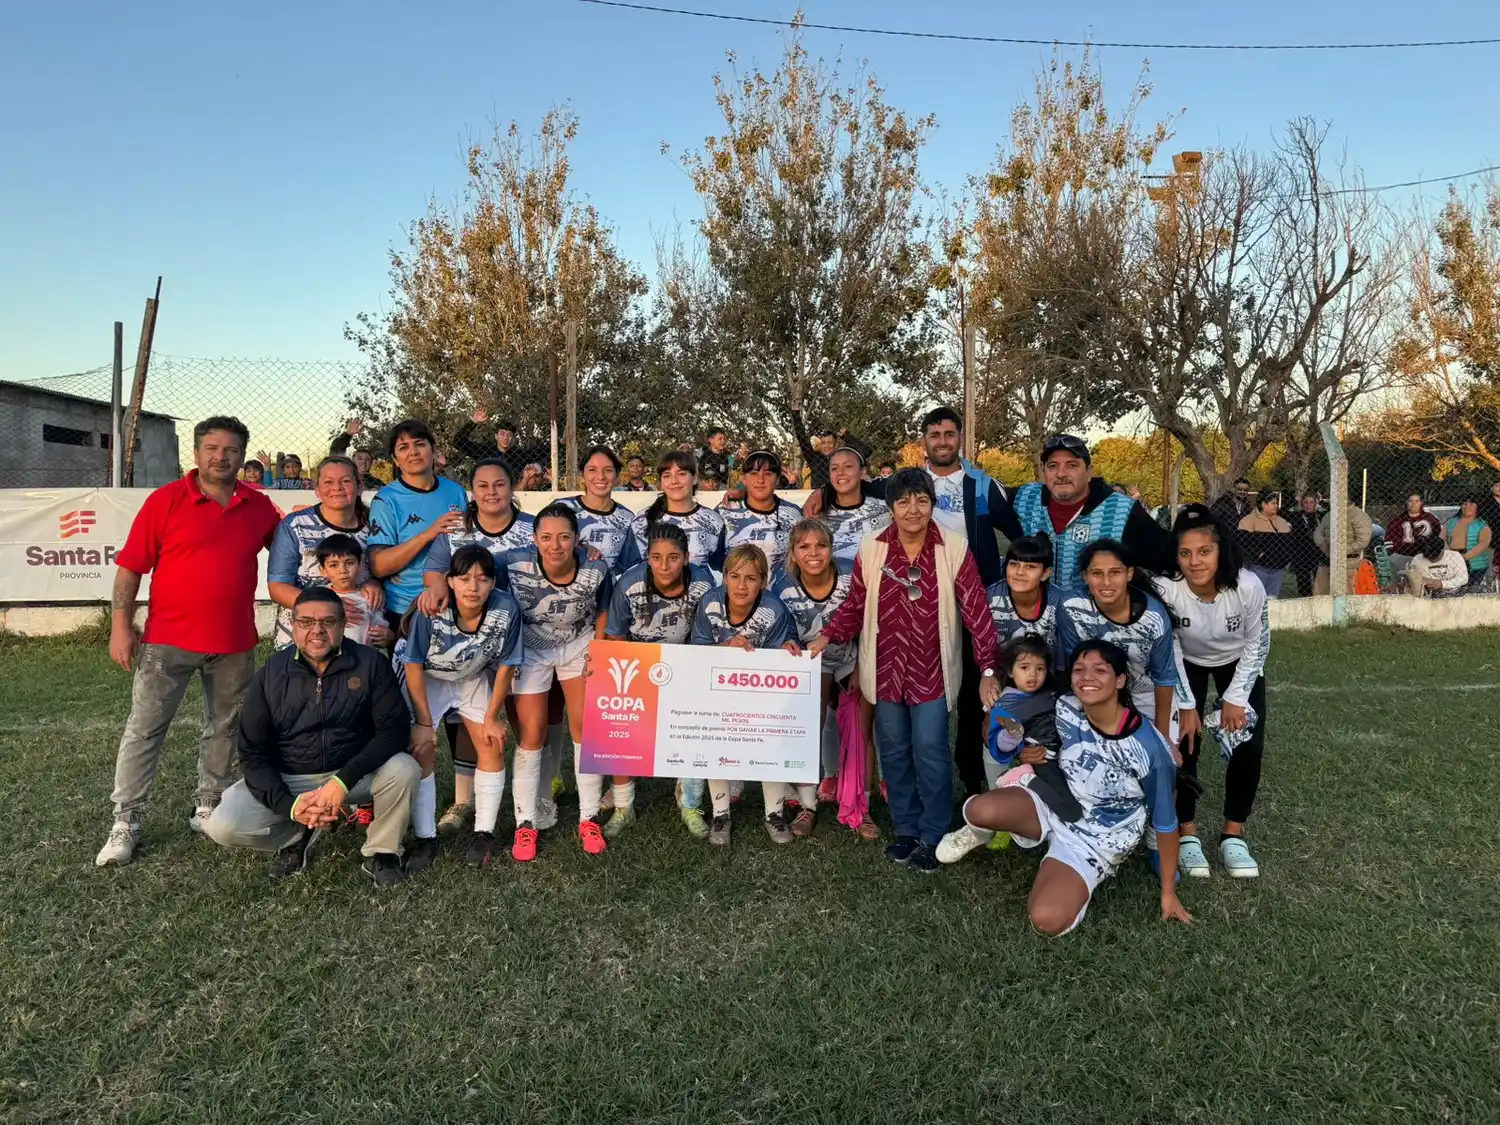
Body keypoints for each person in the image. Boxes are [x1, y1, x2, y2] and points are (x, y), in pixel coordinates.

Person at [96, 416, 281, 867]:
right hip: (167, 641)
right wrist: (121, 626)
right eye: (212, 448)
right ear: (196, 453)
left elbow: (290, 555)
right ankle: (126, 820)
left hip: (234, 642)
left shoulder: (258, 506)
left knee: (225, 727)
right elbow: (130, 569)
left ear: (242, 456)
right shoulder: (165, 501)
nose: (221, 457)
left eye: (231, 450)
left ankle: (209, 805)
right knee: (145, 728)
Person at [811, 469, 1001, 873]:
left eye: (921, 500)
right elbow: (856, 603)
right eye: (903, 502)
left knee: (931, 749)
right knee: (894, 751)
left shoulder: (953, 547)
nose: (913, 510)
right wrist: (827, 636)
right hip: (884, 669)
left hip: (932, 669)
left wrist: (988, 668)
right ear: (891, 508)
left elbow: (976, 609)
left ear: (932, 504)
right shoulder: (873, 547)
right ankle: (906, 829)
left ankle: (933, 832)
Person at [948, 640, 1191, 935]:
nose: (1087, 677)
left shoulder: (1148, 748)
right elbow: (1002, 720)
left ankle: (1067, 872)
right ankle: (1025, 840)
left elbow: (1166, 822)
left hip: (1096, 839)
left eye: (1099, 670)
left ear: (1120, 680)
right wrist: (1023, 749)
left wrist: (1168, 892)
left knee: (1046, 919)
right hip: (1053, 799)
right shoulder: (1064, 705)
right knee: (980, 809)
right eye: (1079, 669)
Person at [204, 588, 418, 887]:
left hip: (354, 774)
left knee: (404, 768)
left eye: (327, 622)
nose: (316, 630)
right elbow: (252, 752)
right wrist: (289, 806)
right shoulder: (271, 673)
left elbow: (393, 731)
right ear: (293, 625)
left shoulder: (370, 663)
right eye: (306, 622)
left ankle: (382, 852)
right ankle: (299, 831)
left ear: (343, 624)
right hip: (292, 777)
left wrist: (341, 782)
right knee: (222, 826)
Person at [365, 420, 469, 862]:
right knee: (412, 712)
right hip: (406, 616)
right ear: (394, 458)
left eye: (419, 444)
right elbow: (379, 564)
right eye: (403, 447)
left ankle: (462, 801)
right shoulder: (387, 500)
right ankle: (407, 801)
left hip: (456, 611)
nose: (413, 452)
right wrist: (429, 533)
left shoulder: (456, 492)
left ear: (433, 449)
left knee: (461, 708)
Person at [1153, 505, 1270, 879]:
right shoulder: (1165, 588)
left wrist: (1235, 699)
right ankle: (1187, 831)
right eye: (1185, 553)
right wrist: (1187, 704)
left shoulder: (1247, 586)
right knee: (1184, 741)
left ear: (1221, 551)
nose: (1194, 561)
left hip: (1237, 660)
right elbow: (1169, 647)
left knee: (1247, 741)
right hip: (1186, 660)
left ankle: (1233, 833)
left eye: (1204, 551)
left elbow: (1258, 641)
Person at [498, 503, 614, 860]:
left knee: (585, 727)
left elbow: (604, 607)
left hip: (577, 644)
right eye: (546, 537)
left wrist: (599, 647)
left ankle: (588, 816)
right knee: (531, 734)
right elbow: (479, 578)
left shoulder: (595, 567)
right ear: (534, 539)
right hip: (531, 647)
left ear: (577, 539)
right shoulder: (512, 563)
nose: (555, 545)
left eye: (564, 537)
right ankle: (526, 822)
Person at [403, 546, 526, 869]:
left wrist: (492, 716)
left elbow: (507, 665)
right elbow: (412, 664)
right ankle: (425, 836)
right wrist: (424, 723)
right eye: (465, 578)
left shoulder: (506, 608)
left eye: (482, 579)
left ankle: (484, 832)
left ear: (494, 583)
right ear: (450, 581)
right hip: (429, 678)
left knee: (491, 742)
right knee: (421, 748)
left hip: (471, 676)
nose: (473, 587)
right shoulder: (431, 608)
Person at [600, 523, 717, 838]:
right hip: (638, 661)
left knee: (694, 729)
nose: (664, 566)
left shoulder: (703, 583)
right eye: (656, 557)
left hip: (687, 660)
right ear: (647, 558)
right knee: (621, 728)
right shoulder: (630, 584)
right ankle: (623, 806)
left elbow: (708, 631)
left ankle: (691, 803)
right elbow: (616, 637)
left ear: (686, 558)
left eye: (673, 558)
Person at [772, 520, 878, 840]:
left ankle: (862, 805)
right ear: (793, 553)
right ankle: (808, 804)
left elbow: (869, 618)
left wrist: (861, 666)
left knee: (861, 725)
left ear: (832, 549)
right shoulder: (782, 586)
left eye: (821, 545)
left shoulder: (849, 574)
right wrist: (787, 643)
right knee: (807, 724)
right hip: (810, 660)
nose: (814, 553)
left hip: (852, 654)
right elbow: (780, 628)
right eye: (804, 546)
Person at [691, 544, 802, 847]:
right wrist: (725, 648)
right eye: (735, 576)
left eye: (751, 578)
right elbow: (696, 651)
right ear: (724, 577)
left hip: (758, 688)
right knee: (716, 741)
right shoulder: (709, 602)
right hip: (717, 685)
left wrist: (787, 648)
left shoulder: (774, 609)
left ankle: (774, 813)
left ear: (763, 582)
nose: (742, 585)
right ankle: (721, 812)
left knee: (772, 740)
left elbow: (778, 660)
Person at [935, 635, 1074, 864]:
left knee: (1066, 801)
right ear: (1010, 671)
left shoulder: (1051, 694)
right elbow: (998, 743)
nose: (1033, 674)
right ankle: (1020, 798)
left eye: (1040, 668)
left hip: (1062, 757)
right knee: (1067, 808)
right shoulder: (1005, 703)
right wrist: (1013, 736)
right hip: (1039, 762)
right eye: (1025, 668)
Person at [1054, 539, 1187, 743]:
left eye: (1115, 572)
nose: (1106, 582)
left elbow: (1164, 678)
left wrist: (1163, 737)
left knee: (1155, 751)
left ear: (1129, 573)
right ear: (1085, 576)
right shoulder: (1071, 606)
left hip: (1144, 692)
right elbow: (1075, 663)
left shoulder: (1153, 618)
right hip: (1096, 687)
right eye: (1097, 573)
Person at [1009, 433, 1173, 594]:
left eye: (1072, 465)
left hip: (1096, 610)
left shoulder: (1121, 510)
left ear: (1089, 472)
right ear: (1043, 471)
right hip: (1036, 609)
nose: (1061, 474)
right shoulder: (1025, 498)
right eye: (1052, 466)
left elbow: (1170, 557)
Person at [265, 455, 386, 649]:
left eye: (345, 481)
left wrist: (375, 582)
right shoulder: (295, 525)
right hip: (302, 639)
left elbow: (383, 568)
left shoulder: (375, 524)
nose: (337, 488)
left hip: (356, 639)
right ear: (317, 490)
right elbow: (278, 586)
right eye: (328, 482)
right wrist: (327, 608)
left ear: (359, 487)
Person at [630, 450, 728, 577]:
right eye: (667, 475)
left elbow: (721, 571)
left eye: (681, 474)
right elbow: (631, 572)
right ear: (661, 482)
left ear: (694, 478)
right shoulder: (642, 520)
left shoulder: (713, 520)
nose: (674, 481)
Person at [720, 449, 803, 575]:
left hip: (781, 586)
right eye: (754, 473)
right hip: (738, 587)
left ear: (777, 479)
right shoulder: (726, 510)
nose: (760, 480)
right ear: (743, 478)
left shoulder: (793, 514)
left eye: (768, 474)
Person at [562, 446, 641, 574]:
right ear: (582, 476)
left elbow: (628, 568)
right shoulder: (562, 508)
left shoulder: (627, 518)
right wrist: (578, 548)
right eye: (592, 470)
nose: (601, 476)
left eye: (608, 470)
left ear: (617, 477)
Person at [985, 534, 1062, 652]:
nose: (1020, 572)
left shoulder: (1060, 603)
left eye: (1030, 566)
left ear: (1045, 573)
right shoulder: (990, 598)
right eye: (1014, 564)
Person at [818, 446, 892, 564]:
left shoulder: (885, 509)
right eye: (834, 468)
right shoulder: (817, 514)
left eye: (848, 466)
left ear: (862, 472)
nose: (840, 472)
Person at [313, 535, 377, 644]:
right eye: (334, 565)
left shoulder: (369, 596)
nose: (343, 570)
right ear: (323, 570)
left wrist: (387, 636)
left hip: (361, 653)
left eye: (349, 563)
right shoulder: (318, 596)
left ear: (360, 565)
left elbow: (380, 628)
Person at [1236, 488, 1293, 597]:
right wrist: (1257, 555)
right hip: (1258, 568)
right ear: (1263, 504)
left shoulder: (1282, 522)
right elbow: (1243, 544)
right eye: (1273, 503)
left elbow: (1289, 543)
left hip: (1278, 570)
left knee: (1272, 600)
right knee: (1255, 598)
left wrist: (1286, 558)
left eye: (1276, 503)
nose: (1276, 506)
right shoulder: (1248, 521)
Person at [451, 409, 533, 482]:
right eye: (502, 434)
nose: (506, 437)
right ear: (496, 436)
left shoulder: (518, 455)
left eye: (509, 435)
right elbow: (458, 442)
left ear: (513, 438)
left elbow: (538, 453)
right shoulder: (484, 451)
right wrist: (474, 421)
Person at [1313, 498, 1374, 594]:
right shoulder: (1330, 514)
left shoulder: (1359, 516)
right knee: (1320, 594)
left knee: (1347, 596)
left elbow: (1363, 541)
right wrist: (1322, 543)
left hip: (1348, 563)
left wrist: (1341, 550)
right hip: (1327, 560)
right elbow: (1318, 531)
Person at [1384, 493, 1444, 582]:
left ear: (1421, 503)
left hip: (1426, 556)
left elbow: (1439, 537)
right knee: (1402, 581)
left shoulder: (1431, 519)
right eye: (1410, 501)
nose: (1413, 504)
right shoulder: (1397, 520)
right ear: (1406, 503)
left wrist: (1432, 552)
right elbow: (1389, 541)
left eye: (1417, 501)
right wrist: (1393, 554)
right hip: (1403, 556)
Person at [1446, 496, 1493, 588]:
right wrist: (1449, 554)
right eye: (1464, 503)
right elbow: (1442, 538)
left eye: (1471, 503)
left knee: (1472, 587)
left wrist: (1465, 557)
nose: (1466, 506)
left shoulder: (1482, 524)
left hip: (1475, 563)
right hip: (1453, 558)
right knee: (1455, 586)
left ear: (1478, 507)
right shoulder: (1452, 521)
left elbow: (1483, 544)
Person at [1404, 533, 1470, 596]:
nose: (1432, 559)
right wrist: (1419, 579)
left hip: (1454, 592)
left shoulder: (1455, 556)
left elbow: (1463, 578)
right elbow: (1412, 579)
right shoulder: (1417, 559)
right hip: (1429, 594)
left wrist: (1442, 584)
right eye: (1428, 557)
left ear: (1443, 549)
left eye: (1435, 556)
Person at [329, 419, 385, 489]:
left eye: (367, 459)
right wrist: (347, 434)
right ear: (352, 461)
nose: (363, 461)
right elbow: (335, 455)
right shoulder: (344, 477)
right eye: (359, 458)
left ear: (371, 464)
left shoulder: (377, 483)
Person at [1286, 493, 1323, 597]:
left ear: (1315, 504)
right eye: (1306, 502)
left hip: (1318, 556)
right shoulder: (1296, 516)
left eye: (1311, 502)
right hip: (1301, 556)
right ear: (1302, 504)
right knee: (1303, 586)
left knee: (1320, 585)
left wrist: (1322, 501)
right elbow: (1283, 512)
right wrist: (1295, 502)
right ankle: (1305, 601)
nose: (1308, 505)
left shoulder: (1320, 516)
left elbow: (1330, 510)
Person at [791, 408, 835, 490]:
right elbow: (802, 439)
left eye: (830, 443)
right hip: (816, 494)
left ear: (835, 444)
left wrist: (846, 437)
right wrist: (796, 414)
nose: (826, 446)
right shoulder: (814, 458)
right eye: (823, 443)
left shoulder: (840, 458)